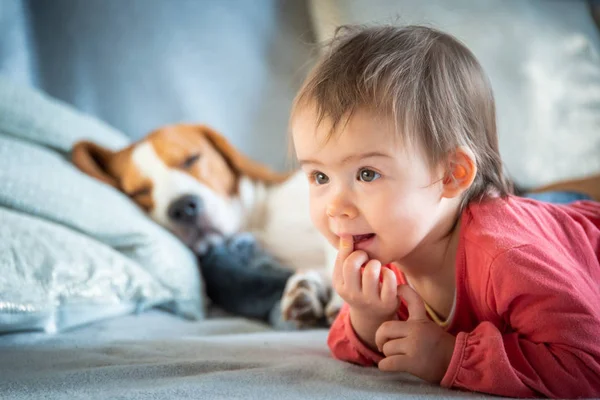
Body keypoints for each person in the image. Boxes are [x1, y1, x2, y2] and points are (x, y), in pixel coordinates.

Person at [289, 24, 600, 398]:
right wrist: (368, 315)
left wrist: (451, 357)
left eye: (367, 174)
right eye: (320, 176)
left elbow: (587, 364)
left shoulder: (507, 257)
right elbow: (346, 344)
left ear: (451, 175)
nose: (335, 206)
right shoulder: (391, 245)